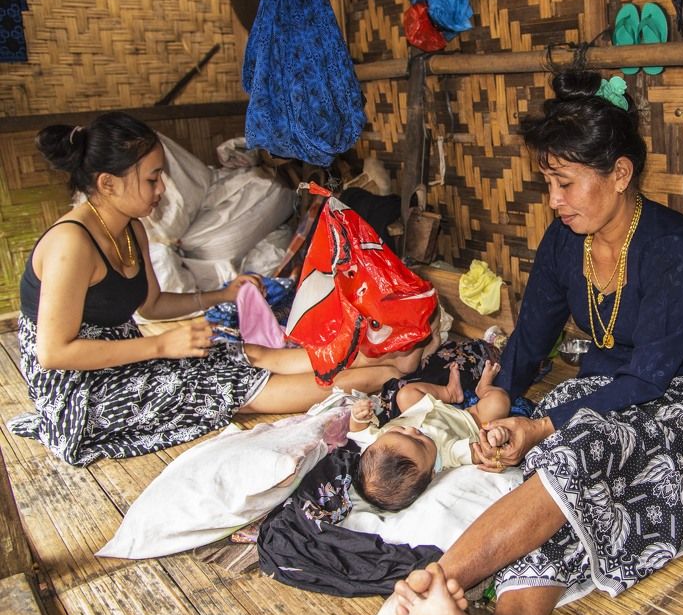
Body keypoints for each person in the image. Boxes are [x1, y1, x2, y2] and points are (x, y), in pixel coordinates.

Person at [367, 71, 683, 615]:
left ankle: (426, 590)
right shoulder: (563, 241)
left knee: (575, 453)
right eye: (548, 182)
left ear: (620, 174)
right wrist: (494, 403)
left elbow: (647, 381)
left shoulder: (680, 251)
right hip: (605, 389)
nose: (554, 200)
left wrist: (541, 426)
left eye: (566, 183)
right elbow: (530, 338)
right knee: (566, 498)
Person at [6, 112, 421, 467]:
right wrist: (160, 347)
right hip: (79, 392)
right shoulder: (71, 244)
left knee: (231, 351)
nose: (162, 189)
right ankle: (373, 378)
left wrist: (222, 295)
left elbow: (150, 305)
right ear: (108, 183)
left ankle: (372, 359)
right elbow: (54, 353)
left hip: (118, 361)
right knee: (210, 384)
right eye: (152, 179)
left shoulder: (130, 227)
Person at [349, 360, 511, 511]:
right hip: (467, 419)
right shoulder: (448, 454)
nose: (412, 430)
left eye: (399, 430)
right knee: (499, 402)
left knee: (405, 394)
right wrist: (494, 439)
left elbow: (359, 432)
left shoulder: (378, 443)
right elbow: (480, 452)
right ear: (432, 471)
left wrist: (358, 416)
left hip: (424, 409)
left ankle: (449, 393)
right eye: (420, 442)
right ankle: (484, 388)